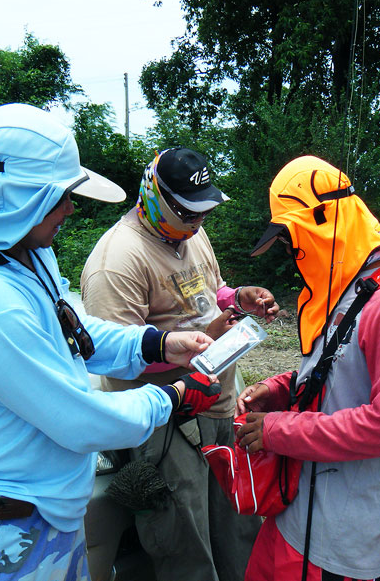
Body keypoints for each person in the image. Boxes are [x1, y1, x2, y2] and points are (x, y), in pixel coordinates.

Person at [0, 103, 222, 581]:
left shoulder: (16, 252)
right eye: (59, 195)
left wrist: (156, 345)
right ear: (19, 196)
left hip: (44, 510)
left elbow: (74, 331)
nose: (70, 208)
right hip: (3, 534)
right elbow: (80, 420)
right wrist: (174, 398)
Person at [80, 147, 279, 581]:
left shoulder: (191, 233)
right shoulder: (117, 261)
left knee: (238, 525)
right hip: (167, 424)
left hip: (219, 404)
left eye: (204, 212)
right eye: (189, 213)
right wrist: (192, 352)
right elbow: (116, 361)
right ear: (155, 197)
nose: (198, 222)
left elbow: (213, 290)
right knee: (184, 542)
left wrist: (238, 297)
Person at [234, 155, 380, 581]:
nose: (291, 254)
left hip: (333, 544)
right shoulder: (344, 290)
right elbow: (337, 374)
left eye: (292, 240)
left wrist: (277, 429)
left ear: (322, 224)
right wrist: (280, 389)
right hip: (292, 516)